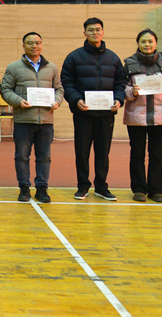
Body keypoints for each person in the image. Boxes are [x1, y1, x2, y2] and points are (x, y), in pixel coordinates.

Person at [61, 17, 126, 201]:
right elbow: (67, 82)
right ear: (85, 33)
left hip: (106, 114)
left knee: (103, 152)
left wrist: (119, 99)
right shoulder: (74, 57)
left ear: (103, 32)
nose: (95, 33)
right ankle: (83, 186)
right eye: (90, 30)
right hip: (83, 113)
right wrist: (76, 100)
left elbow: (121, 83)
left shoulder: (113, 58)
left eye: (98, 29)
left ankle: (101, 186)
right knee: (82, 151)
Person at [0, 32, 64, 203]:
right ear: (23, 46)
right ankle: (24, 188)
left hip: (46, 121)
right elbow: (5, 89)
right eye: (30, 43)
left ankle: (42, 188)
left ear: (41, 45)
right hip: (23, 121)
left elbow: (59, 89)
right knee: (22, 156)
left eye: (38, 42)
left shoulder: (51, 67)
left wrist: (57, 101)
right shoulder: (14, 67)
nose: (34, 46)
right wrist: (18, 101)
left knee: (44, 157)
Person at [123, 29, 162, 203]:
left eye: (150, 41)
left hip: (159, 116)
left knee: (156, 154)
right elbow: (121, 87)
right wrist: (130, 91)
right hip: (136, 117)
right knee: (137, 154)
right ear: (138, 43)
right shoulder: (129, 64)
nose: (147, 44)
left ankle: (156, 190)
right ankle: (139, 189)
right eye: (143, 41)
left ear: (155, 43)